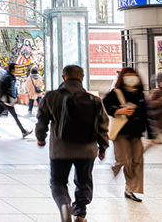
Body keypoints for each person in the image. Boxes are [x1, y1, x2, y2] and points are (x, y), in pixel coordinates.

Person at [36, 65, 109, 222]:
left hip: (60, 149)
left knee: (58, 181)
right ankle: (80, 215)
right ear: (82, 78)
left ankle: (64, 204)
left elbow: (41, 119)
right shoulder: (95, 100)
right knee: (84, 181)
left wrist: (41, 137)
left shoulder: (51, 96)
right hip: (87, 149)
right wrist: (103, 146)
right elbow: (103, 125)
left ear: (63, 77)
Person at [103, 67, 156, 202]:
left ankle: (130, 190)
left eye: (134, 75)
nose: (131, 78)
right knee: (123, 160)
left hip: (136, 131)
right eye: (128, 75)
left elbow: (145, 114)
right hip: (121, 131)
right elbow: (105, 105)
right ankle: (113, 172)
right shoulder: (116, 93)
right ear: (122, 78)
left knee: (137, 161)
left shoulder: (140, 94)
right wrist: (118, 111)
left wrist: (151, 133)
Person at [0, 63, 33, 139]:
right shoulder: (8, 77)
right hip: (6, 100)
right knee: (15, 116)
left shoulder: (9, 76)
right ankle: (23, 131)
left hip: (2, 100)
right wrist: (9, 100)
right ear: (12, 69)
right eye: (15, 68)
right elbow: (6, 89)